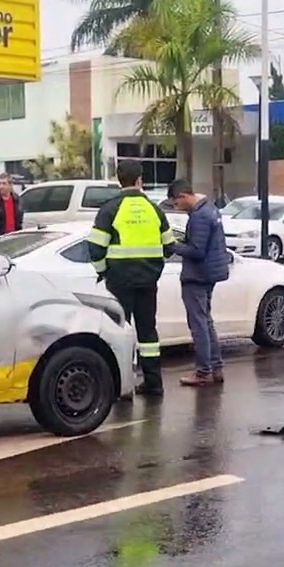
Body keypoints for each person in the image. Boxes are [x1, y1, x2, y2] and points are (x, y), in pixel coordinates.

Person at [88, 160, 176, 397]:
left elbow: (95, 247)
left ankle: (123, 388)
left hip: (119, 282)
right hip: (148, 281)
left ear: (119, 180)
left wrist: (103, 271)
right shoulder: (155, 210)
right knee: (148, 333)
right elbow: (169, 247)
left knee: (119, 332)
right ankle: (154, 383)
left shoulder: (110, 209)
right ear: (140, 180)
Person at [166, 178, 229, 386]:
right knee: (206, 321)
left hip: (198, 276)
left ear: (184, 196)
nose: (177, 207)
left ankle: (202, 372)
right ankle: (216, 367)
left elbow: (197, 250)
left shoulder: (199, 216)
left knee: (199, 324)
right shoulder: (210, 209)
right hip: (210, 274)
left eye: (176, 203)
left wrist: (172, 246)